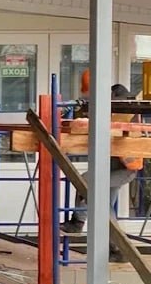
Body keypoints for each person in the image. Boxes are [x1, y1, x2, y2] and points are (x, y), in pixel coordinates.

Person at [61, 83, 142, 248]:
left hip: (125, 170)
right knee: (105, 208)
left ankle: (78, 222)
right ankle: (117, 248)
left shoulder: (126, 114)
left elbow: (114, 133)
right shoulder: (118, 113)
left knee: (85, 180)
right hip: (115, 167)